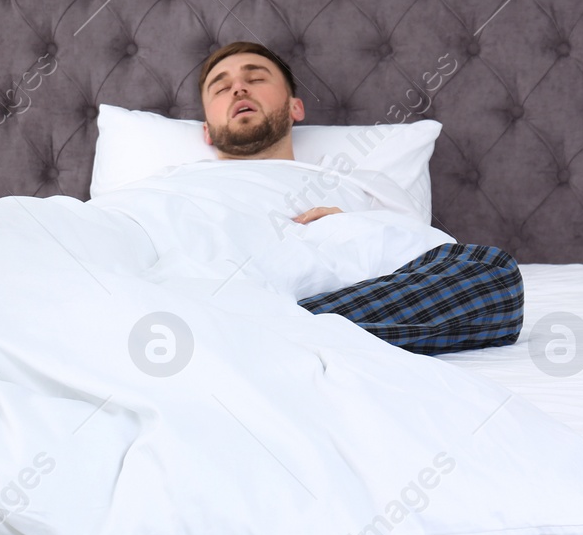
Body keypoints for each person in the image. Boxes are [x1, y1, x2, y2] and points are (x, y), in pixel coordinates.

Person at [197, 40, 523, 355]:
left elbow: (426, 260)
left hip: (280, 310)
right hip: (196, 290)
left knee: (492, 273)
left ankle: (238, 338)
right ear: (207, 130)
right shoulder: (175, 182)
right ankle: (255, 339)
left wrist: (353, 225)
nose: (239, 88)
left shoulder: (359, 186)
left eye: (255, 78)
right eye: (221, 88)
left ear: (295, 106)